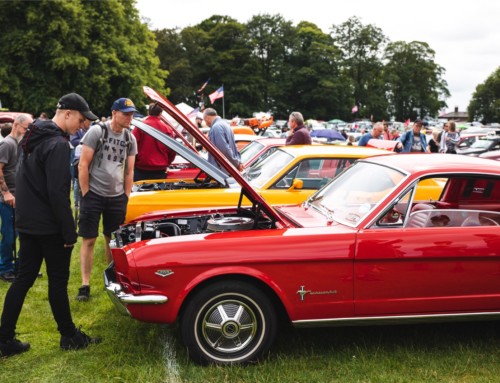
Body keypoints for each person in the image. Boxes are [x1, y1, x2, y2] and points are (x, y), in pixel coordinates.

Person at [0, 93, 101, 358]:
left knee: (23, 280)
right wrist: (69, 231)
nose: (82, 125)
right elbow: (58, 193)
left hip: (29, 222)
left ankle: (4, 339)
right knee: (57, 282)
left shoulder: (31, 135)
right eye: (80, 119)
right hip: (48, 226)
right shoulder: (56, 143)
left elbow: (28, 182)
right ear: (67, 113)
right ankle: (69, 335)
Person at [76, 98, 137, 301]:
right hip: (93, 194)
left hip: (116, 196)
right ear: (114, 113)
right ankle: (85, 285)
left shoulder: (130, 138)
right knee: (89, 239)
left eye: (132, 114)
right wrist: (86, 193)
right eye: (126, 113)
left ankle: (113, 278)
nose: (130, 117)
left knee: (113, 240)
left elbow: (129, 171)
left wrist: (125, 196)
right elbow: (83, 164)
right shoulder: (97, 132)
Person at [0, 114, 32, 282]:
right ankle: (5, 268)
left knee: (22, 233)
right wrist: (6, 193)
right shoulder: (7, 144)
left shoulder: (20, 144)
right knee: (9, 235)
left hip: (20, 197)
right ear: (16, 125)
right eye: (26, 128)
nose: (28, 132)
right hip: (7, 199)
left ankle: (19, 266)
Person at [133, 102, 176, 181]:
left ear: (148, 112)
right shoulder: (168, 129)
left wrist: (134, 163)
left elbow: (132, 146)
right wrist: (167, 162)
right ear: (161, 113)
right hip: (160, 170)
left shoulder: (140, 127)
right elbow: (173, 151)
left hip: (141, 169)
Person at [203, 108, 243, 173]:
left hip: (223, 171)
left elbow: (224, 149)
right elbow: (234, 147)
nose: (206, 123)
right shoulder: (225, 125)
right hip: (229, 169)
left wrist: (236, 163)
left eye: (205, 121)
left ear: (207, 118)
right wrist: (238, 162)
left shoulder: (216, 127)